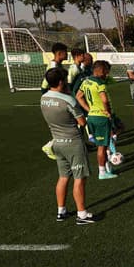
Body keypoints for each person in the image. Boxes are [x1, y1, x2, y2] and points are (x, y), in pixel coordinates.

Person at [41, 68, 97, 225]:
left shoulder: (44, 98)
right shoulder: (68, 100)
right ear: (61, 82)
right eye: (65, 80)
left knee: (63, 177)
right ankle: (82, 214)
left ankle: (61, 211)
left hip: (56, 142)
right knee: (79, 178)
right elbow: (82, 122)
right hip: (73, 143)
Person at [76, 61, 118, 180]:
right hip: (101, 118)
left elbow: (79, 96)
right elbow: (104, 100)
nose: (107, 74)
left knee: (104, 143)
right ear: (101, 71)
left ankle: (107, 167)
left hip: (92, 116)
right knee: (102, 146)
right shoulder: (99, 83)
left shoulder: (86, 81)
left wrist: (89, 109)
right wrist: (107, 112)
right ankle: (102, 172)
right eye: (106, 72)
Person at [41, 43, 68, 160]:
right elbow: (44, 85)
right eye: (66, 52)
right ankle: (50, 146)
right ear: (59, 53)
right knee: (62, 125)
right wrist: (51, 100)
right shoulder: (53, 66)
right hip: (56, 101)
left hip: (60, 99)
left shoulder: (58, 65)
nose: (68, 54)